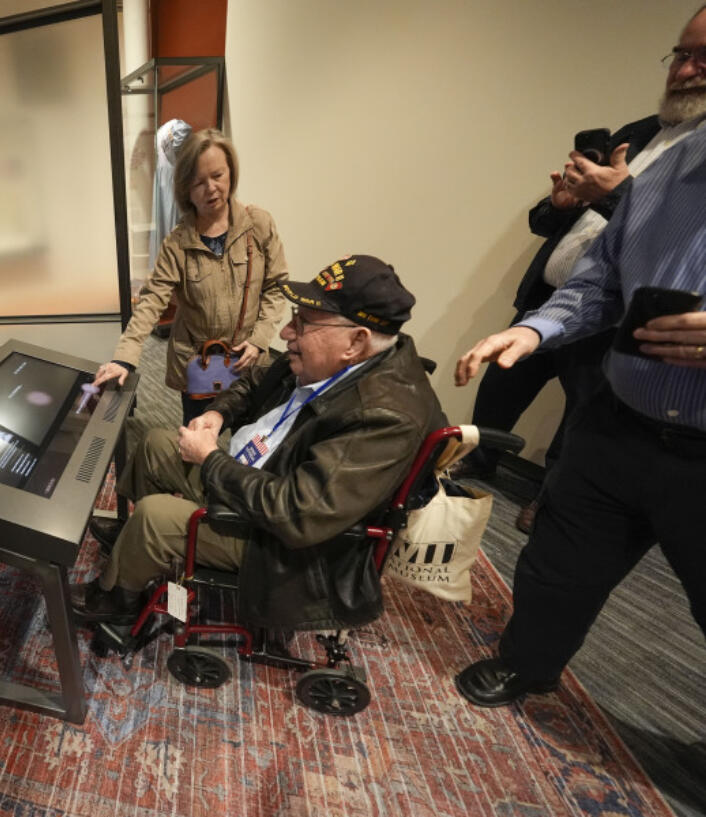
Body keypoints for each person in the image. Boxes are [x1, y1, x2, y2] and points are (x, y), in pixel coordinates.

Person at [452, 93, 706, 708]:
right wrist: (534, 329)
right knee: (559, 564)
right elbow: (599, 280)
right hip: (618, 424)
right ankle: (527, 666)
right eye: (683, 50)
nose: (688, 67)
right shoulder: (664, 172)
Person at [74, 256, 444, 629]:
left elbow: (299, 516)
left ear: (356, 340)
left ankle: (117, 600)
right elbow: (254, 380)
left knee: (154, 518)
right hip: (258, 483)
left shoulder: (383, 417)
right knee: (156, 445)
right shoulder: (337, 363)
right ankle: (134, 552)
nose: (286, 332)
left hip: (287, 544)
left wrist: (212, 461)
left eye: (304, 323)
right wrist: (219, 415)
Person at [458, 8, 706, 533]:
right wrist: (566, 202)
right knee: (498, 390)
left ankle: (551, 501)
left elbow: (657, 242)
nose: (685, 70)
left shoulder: (695, 162)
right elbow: (545, 221)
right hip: (551, 298)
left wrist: (617, 198)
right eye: (681, 54)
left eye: (703, 58)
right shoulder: (642, 133)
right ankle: (471, 464)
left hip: (614, 324)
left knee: (583, 418)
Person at [92, 129, 290, 427]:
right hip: (200, 365)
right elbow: (151, 302)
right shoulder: (177, 243)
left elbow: (276, 286)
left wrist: (260, 340)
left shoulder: (258, 225)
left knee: (246, 441)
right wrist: (124, 358)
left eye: (218, 175)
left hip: (248, 362)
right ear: (185, 188)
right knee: (196, 442)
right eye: (199, 182)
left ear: (231, 173)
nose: (211, 188)